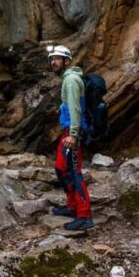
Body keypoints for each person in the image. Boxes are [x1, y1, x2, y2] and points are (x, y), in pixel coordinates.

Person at [47, 45, 93, 230]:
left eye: (57, 58)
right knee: (61, 168)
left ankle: (84, 215)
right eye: (52, 59)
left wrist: (73, 135)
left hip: (73, 132)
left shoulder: (72, 80)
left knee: (74, 171)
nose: (53, 62)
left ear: (67, 61)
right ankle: (72, 206)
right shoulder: (68, 78)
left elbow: (75, 108)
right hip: (68, 130)